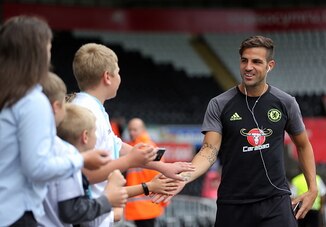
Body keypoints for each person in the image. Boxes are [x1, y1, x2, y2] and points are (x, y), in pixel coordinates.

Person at [152, 36, 318, 227]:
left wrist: (313, 188)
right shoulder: (219, 104)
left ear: (270, 65)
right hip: (232, 204)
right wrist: (184, 177)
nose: (248, 67)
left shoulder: (286, 102)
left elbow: (303, 145)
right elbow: (209, 150)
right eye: (244, 60)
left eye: (256, 62)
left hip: (275, 203)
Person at [0, 16, 109, 227]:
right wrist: (82, 160)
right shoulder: (31, 101)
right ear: (38, 54)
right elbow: (37, 167)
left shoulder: (8, 96)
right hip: (18, 214)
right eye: (49, 48)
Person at [71, 43, 194, 226]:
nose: (120, 77)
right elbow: (84, 174)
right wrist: (133, 164)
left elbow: (118, 145)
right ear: (107, 77)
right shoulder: (87, 113)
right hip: (89, 218)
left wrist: (162, 167)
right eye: (118, 72)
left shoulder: (92, 108)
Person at [37, 72, 127, 227]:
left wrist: (147, 188)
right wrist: (108, 199)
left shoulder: (36, 145)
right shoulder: (64, 153)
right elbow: (73, 211)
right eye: (95, 131)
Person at [124, 118, 167, 227]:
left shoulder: (145, 148)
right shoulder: (146, 146)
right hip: (145, 203)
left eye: (135, 130)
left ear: (142, 130)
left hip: (145, 204)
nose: (131, 133)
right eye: (130, 130)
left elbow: (161, 175)